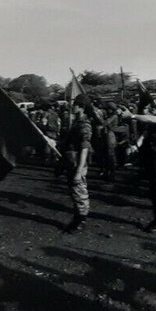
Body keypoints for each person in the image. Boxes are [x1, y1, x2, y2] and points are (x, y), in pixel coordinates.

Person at [122, 95, 156, 230]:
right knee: (153, 187)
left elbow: (153, 119)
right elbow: (145, 133)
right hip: (154, 154)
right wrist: (136, 146)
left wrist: (132, 116)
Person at [60, 95, 92, 232]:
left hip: (77, 162)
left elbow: (84, 148)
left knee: (79, 191)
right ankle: (77, 217)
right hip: (71, 160)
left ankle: (81, 220)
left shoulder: (84, 124)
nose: (73, 106)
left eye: (75, 104)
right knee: (74, 191)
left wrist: (79, 171)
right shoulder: (76, 122)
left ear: (81, 106)